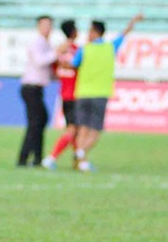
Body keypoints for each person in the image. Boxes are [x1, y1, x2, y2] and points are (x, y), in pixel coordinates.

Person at [70, 14, 144, 172]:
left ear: (95, 32)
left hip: (83, 93)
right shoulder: (110, 47)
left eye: (89, 31)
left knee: (83, 129)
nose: (87, 34)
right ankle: (81, 154)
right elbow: (124, 33)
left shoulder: (85, 49)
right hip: (100, 93)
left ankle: (81, 159)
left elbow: (73, 64)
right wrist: (133, 21)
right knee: (95, 130)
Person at [18, 15, 64, 167]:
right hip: (30, 87)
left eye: (49, 25)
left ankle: (37, 157)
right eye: (44, 25)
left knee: (41, 120)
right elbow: (40, 61)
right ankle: (23, 158)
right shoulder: (36, 43)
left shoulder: (46, 44)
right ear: (38, 26)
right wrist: (57, 52)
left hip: (37, 88)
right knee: (35, 123)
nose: (47, 28)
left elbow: (48, 68)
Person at [42, 19, 79, 170]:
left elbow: (54, 68)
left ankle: (79, 161)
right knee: (73, 130)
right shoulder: (77, 50)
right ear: (74, 32)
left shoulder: (59, 51)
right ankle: (51, 157)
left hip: (64, 95)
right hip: (76, 95)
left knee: (74, 130)